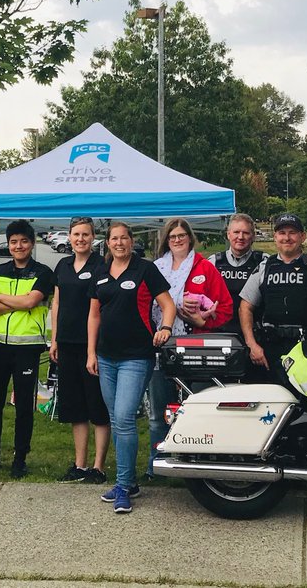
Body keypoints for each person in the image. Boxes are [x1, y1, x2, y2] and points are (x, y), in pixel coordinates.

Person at [87, 221, 176, 514]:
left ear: (131, 241)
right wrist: (91, 352)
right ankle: (129, 481)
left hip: (136, 356)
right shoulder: (100, 271)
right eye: (114, 239)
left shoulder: (145, 269)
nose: (119, 243)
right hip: (105, 357)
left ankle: (124, 485)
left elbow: (168, 304)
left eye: (124, 238)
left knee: (124, 418)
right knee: (116, 419)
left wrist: (164, 327)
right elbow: (94, 316)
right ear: (108, 243)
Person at [145, 217, 233, 477]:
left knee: (197, 410)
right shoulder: (155, 268)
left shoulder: (205, 268)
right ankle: (157, 463)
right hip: (161, 348)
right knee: (160, 410)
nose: (177, 240)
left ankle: (197, 462)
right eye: (172, 236)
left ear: (190, 237)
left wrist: (202, 319)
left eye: (182, 235)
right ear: (166, 240)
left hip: (195, 348)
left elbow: (226, 308)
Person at [0, 219, 54, 479]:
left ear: (32, 243)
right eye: (14, 242)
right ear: (8, 244)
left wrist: (3, 299)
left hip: (27, 349)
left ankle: (20, 458)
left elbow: (32, 301)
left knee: (22, 407)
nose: (18, 246)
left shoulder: (43, 272)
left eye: (24, 241)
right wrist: (17, 303)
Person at [239, 213, 307, 384]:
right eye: (282, 233)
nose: (287, 238)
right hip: (270, 350)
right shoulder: (265, 267)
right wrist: (252, 345)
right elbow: (245, 307)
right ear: (275, 237)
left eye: (292, 232)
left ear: (302, 236)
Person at [48, 217, 109, 484]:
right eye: (76, 234)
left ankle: (98, 467)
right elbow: (57, 303)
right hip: (67, 344)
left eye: (85, 234)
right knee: (75, 408)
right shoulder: (62, 265)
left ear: (93, 237)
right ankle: (80, 464)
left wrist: (92, 351)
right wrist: (55, 339)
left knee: (97, 406)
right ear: (69, 237)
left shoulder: (101, 266)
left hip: (91, 346)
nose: (80, 239)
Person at [212, 213, 267, 335]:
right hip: (220, 332)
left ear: (253, 236)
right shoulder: (213, 262)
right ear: (228, 234)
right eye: (236, 232)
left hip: (256, 333)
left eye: (246, 233)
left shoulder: (264, 262)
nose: (240, 237)